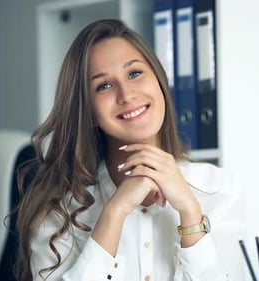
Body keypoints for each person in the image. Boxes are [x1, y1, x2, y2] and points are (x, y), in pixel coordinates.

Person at [16, 19, 245, 281]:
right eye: (104, 85)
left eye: (134, 73)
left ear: (159, 81)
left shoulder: (221, 190)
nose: (126, 94)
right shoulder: (57, 214)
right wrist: (115, 212)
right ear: (88, 111)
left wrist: (189, 210)